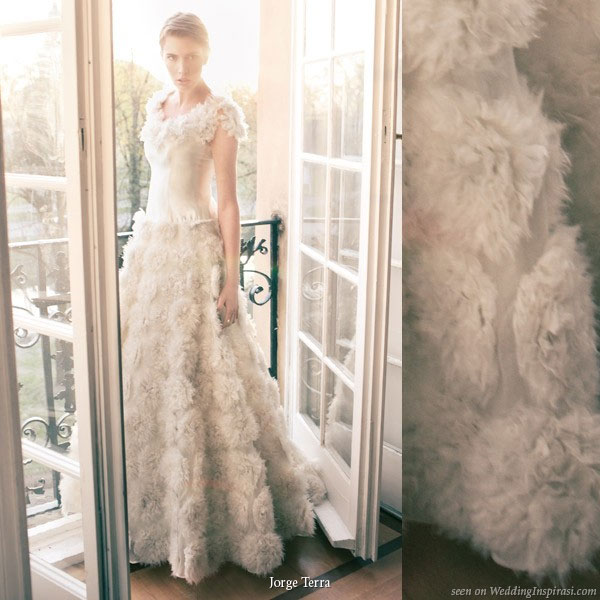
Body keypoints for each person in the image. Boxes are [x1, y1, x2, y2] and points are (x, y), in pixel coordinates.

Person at [118, 12, 327, 585]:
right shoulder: (155, 108)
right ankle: (149, 513)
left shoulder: (221, 113)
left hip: (196, 257)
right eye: (170, 57)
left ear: (206, 55)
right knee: (149, 385)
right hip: (152, 254)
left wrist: (231, 280)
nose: (180, 68)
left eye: (189, 56)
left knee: (207, 389)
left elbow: (230, 203)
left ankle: (214, 519)